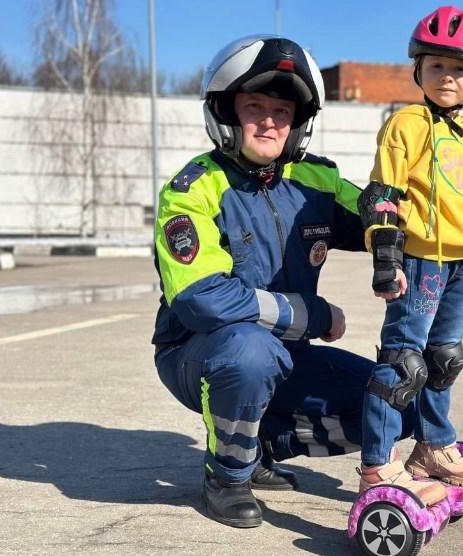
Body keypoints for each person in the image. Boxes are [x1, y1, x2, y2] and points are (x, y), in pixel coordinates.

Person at [152, 35, 384, 528]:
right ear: (226, 112)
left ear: (297, 122)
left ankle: (257, 447)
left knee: (392, 400)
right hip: (200, 353)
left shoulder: (316, 179)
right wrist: (314, 315)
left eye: (281, 110)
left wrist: (400, 212)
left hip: (286, 355)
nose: (269, 120)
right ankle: (227, 475)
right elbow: (202, 300)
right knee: (250, 353)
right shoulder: (192, 189)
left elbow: (381, 221)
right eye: (254, 106)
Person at [356, 6, 463, 504]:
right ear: (418, 70)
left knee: (443, 360)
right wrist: (387, 256)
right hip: (423, 260)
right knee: (404, 363)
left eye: (461, 68)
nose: (449, 76)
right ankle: (378, 465)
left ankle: (433, 447)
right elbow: (383, 192)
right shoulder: (407, 123)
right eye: (438, 65)